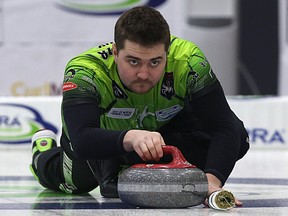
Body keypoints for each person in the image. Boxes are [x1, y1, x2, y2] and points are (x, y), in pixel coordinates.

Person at [29, 6, 249, 207]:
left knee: (239, 138)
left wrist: (211, 182)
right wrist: (132, 138)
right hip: (102, 140)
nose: (144, 74)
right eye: (133, 61)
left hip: (160, 130)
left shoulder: (189, 61)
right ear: (115, 52)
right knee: (74, 184)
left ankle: (129, 166)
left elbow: (224, 127)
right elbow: (81, 139)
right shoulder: (86, 71)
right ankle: (43, 153)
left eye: (155, 62)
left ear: (167, 53)